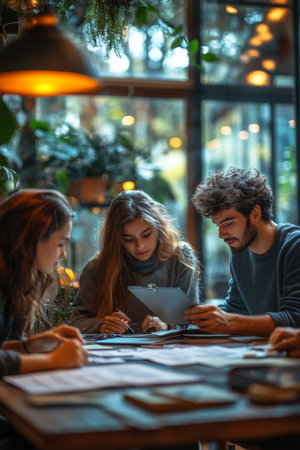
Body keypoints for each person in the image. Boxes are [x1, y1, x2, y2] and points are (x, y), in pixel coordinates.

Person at [184, 167, 300, 337]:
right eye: (218, 225)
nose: (221, 234)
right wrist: (184, 319)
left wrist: (228, 322)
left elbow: (294, 320)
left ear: (255, 214)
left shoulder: (294, 247)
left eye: (228, 223)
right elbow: (236, 310)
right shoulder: (240, 252)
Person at [73, 189, 200, 334]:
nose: (140, 246)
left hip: (168, 350)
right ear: (117, 239)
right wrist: (100, 325)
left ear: (158, 228)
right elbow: (75, 320)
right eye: (128, 239)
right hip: (114, 352)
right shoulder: (96, 268)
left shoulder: (180, 257)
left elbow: (193, 320)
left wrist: (167, 326)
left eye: (146, 235)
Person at [0, 189, 88, 378]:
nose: (63, 254)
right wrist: (52, 361)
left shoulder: (11, 282)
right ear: (31, 239)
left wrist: (28, 346)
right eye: (60, 243)